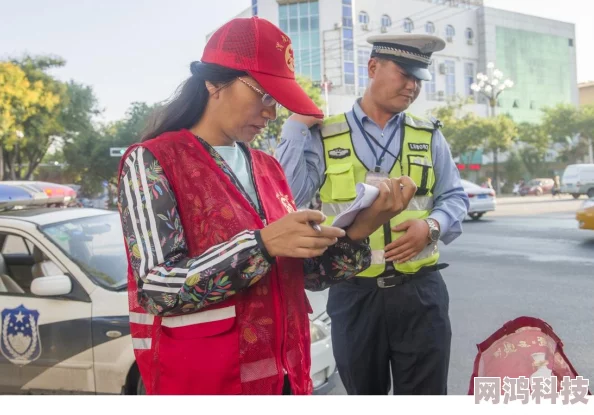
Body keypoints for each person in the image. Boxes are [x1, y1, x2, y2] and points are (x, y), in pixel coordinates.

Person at [116, 17, 417, 396]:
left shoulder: (268, 167)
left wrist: (362, 226)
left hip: (286, 374)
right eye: (264, 94)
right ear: (214, 82)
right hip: (210, 381)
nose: (271, 113)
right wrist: (261, 244)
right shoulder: (152, 161)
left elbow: (304, 276)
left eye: (278, 101)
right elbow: (156, 288)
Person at [276, 34, 470, 395]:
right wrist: (295, 126)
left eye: (419, 79)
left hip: (421, 294)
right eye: (405, 74)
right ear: (372, 67)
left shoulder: (428, 134)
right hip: (354, 293)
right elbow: (290, 197)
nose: (412, 86)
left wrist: (432, 225)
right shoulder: (326, 134)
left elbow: (455, 196)